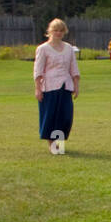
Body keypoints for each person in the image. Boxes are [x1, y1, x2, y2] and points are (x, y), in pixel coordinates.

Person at [33, 19, 79, 150]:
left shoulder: (69, 48)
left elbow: (73, 68)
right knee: (51, 116)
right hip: (49, 87)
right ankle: (52, 145)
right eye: (55, 30)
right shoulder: (43, 49)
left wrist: (76, 85)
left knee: (65, 116)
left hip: (65, 86)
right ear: (50, 31)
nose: (58, 33)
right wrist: (38, 89)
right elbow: (38, 70)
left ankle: (60, 143)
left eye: (61, 31)